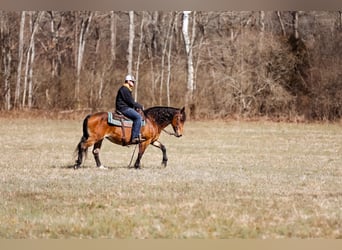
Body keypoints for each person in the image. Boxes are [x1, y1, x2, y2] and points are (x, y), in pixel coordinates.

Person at [115, 74, 146, 144]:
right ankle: (134, 137)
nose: (133, 83)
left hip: (124, 107)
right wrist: (139, 106)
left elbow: (129, 102)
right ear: (128, 81)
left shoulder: (126, 89)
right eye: (132, 81)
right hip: (123, 108)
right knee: (138, 117)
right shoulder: (124, 89)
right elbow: (130, 101)